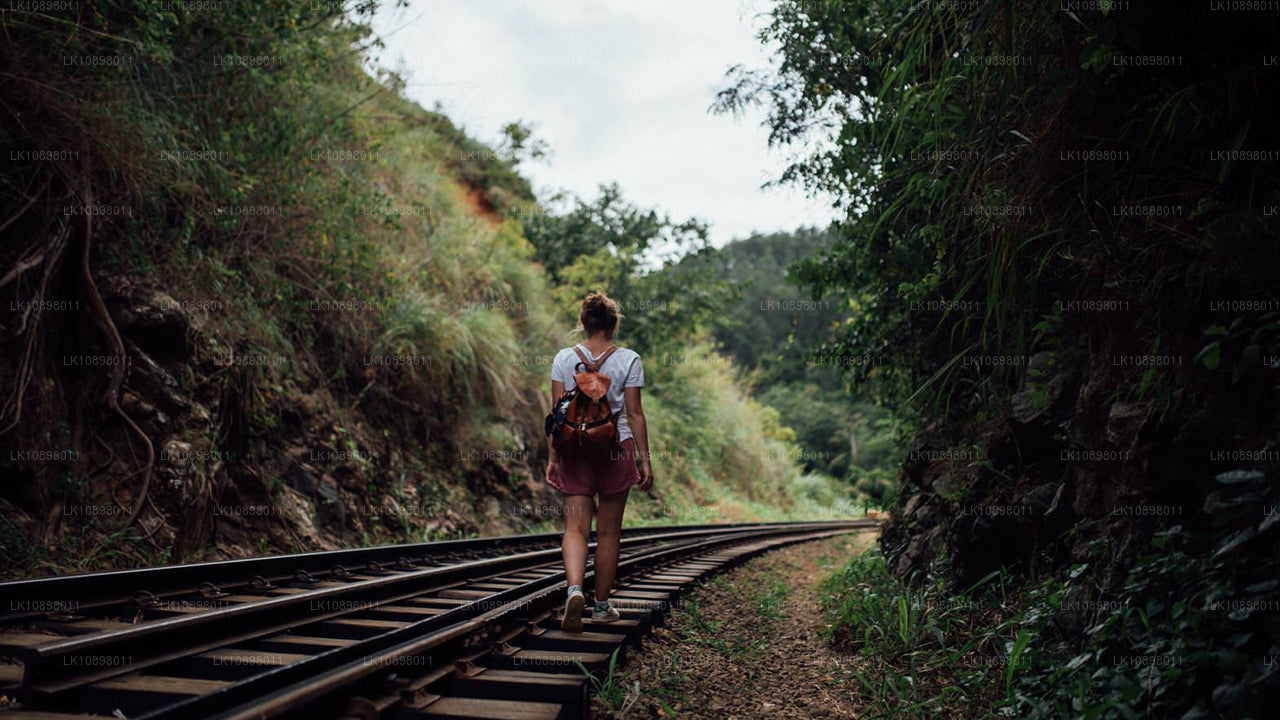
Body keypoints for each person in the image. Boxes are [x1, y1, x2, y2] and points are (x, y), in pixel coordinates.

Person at [546, 292, 654, 632]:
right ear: (612, 324)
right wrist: (644, 460)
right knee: (608, 533)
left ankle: (575, 589)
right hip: (614, 448)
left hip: (574, 449)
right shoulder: (629, 359)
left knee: (575, 528)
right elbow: (635, 413)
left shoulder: (564, 357)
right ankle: (602, 606)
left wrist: (552, 457)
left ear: (584, 323)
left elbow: (558, 414)